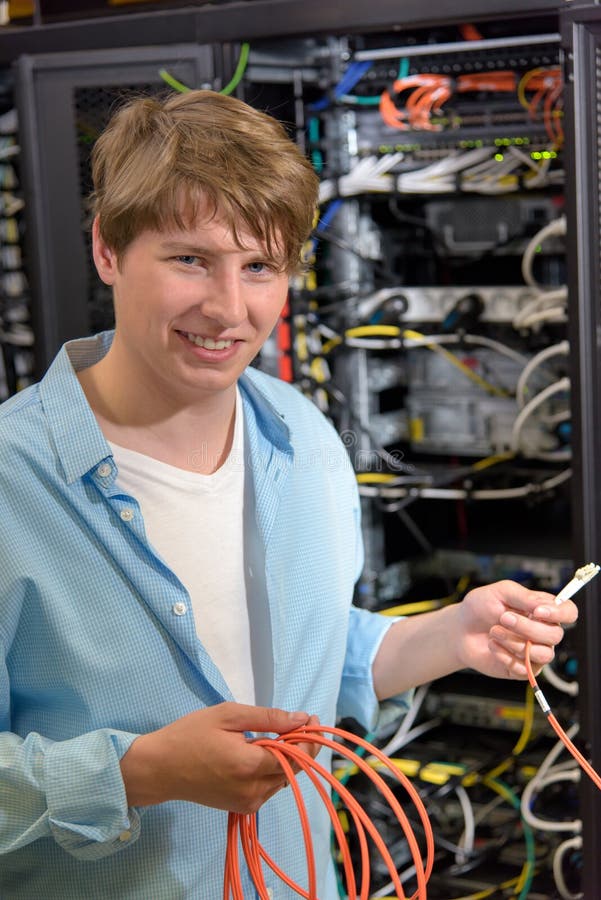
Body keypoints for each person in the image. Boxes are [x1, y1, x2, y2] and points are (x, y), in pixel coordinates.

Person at [0, 90, 576, 900]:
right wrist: (137, 772)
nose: (228, 309)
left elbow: (309, 659)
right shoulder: (12, 480)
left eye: (259, 266)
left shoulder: (299, 436)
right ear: (107, 249)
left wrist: (451, 637)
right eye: (190, 259)